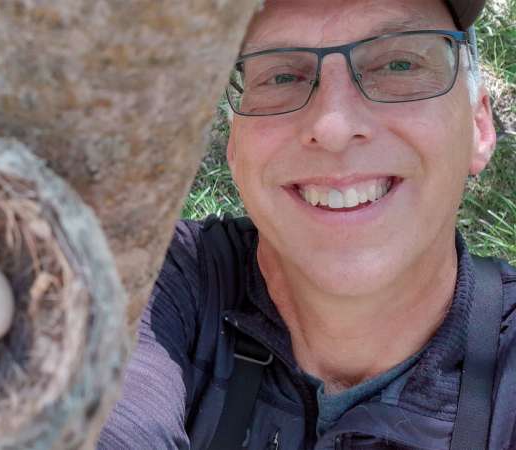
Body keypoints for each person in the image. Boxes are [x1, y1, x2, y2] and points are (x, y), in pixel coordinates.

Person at [96, 0, 516, 448]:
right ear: (235, 148)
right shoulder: (158, 283)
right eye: (280, 76)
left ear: (478, 126)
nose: (332, 126)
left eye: (398, 63)